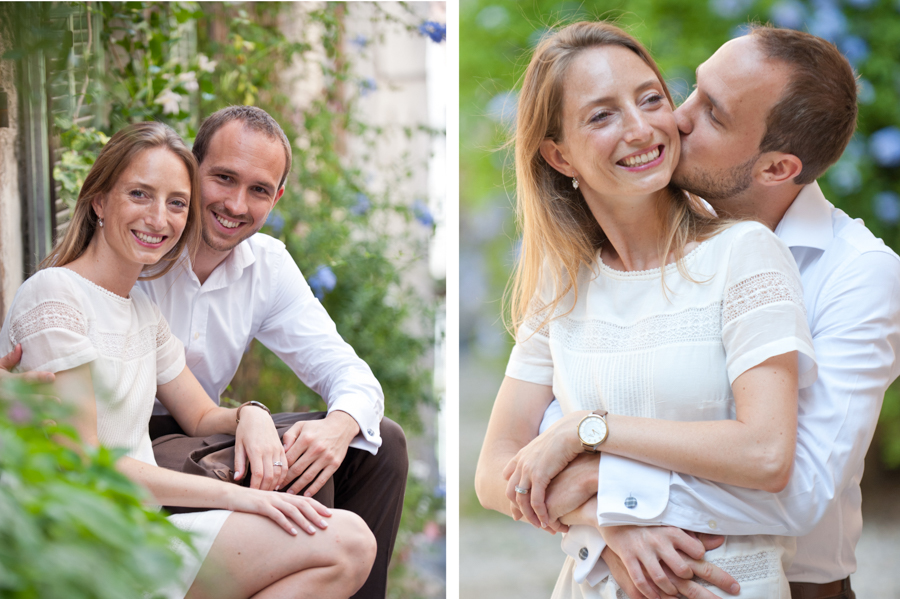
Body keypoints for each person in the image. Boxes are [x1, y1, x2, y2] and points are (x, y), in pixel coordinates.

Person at [536, 25, 900, 599]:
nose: (677, 118)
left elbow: (800, 490)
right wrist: (611, 521)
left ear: (777, 169)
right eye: (692, 91)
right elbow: (544, 426)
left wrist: (607, 479)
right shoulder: (647, 228)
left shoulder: (860, 274)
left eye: (714, 114)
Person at [1, 106, 408, 599]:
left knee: (371, 450)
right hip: (110, 503)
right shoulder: (70, 290)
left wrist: (262, 418)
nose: (159, 218)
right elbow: (89, 465)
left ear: (276, 197)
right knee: (299, 499)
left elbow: (203, 413)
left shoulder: (146, 308)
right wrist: (244, 496)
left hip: (174, 465)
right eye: (139, 195)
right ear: (99, 202)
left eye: (174, 203)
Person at [475, 21, 818, 599]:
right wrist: (610, 522)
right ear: (559, 156)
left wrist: (589, 433)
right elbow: (492, 475)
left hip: (724, 584)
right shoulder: (563, 282)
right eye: (602, 115)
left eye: (651, 99)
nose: (641, 129)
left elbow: (765, 454)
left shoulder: (744, 254)